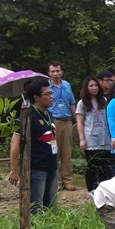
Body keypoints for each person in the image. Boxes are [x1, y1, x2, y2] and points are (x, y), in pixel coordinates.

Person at [9, 79, 59, 213]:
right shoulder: (27, 116)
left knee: (52, 206)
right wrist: (15, 169)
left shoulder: (49, 114)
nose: (51, 97)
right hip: (37, 168)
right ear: (36, 97)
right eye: (47, 94)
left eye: (51, 93)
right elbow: (15, 142)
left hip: (52, 166)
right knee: (36, 207)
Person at [75, 75, 112, 196]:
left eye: (96, 85)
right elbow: (79, 122)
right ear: (86, 87)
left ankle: (103, 188)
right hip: (90, 137)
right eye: (91, 86)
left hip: (104, 136)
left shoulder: (104, 101)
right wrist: (82, 139)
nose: (94, 88)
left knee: (104, 165)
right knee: (92, 164)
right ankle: (91, 188)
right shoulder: (82, 103)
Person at [47, 61, 77, 191]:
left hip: (67, 121)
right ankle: (56, 181)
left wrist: (77, 120)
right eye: (53, 71)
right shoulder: (46, 87)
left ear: (62, 72)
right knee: (54, 151)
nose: (55, 73)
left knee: (67, 151)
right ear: (49, 73)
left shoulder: (66, 85)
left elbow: (72, 103)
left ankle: (67, 180)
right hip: (53, 121)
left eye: (57, 71)